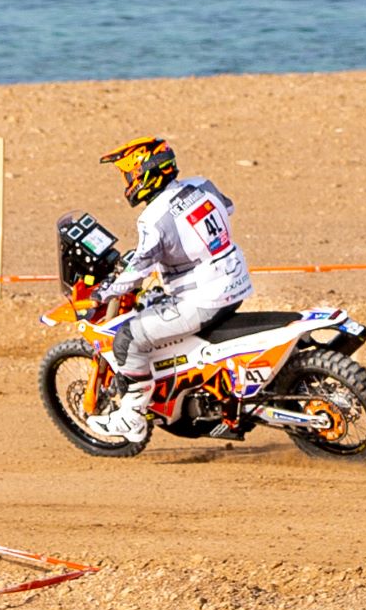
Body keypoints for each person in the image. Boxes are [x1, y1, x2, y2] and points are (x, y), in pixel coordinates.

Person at [84, 136, 254, 444]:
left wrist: (103, 292)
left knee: (128, 339)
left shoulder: (152, 219)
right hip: (236, 283)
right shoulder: (202, 185)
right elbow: (228, 207)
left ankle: (132, 416)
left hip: (204, 298)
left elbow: (138, 271)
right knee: (159, 306)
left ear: (147, 174)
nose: (128, 182)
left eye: (130, 175)